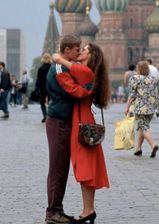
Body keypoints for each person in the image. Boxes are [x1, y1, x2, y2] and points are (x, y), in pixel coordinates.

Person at [53, 43, 110, 224]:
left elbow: (72, 84)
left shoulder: (86, 72)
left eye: (84, 49)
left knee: (85, 168)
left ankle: (88, 210)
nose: (81, 51)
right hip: (82, 119)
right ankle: (88, 210)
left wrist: (59, 60)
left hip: (82, 123)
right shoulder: (86, 72)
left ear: (91, 56)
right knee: (85, 168)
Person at [45, 35, 91, 224]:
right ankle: (53, 212)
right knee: (57, 168)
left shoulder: (64, 65)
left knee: (62, 168)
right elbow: (75, 91)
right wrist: (91, 88)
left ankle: (57, 210)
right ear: (67, 50)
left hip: (64, 120)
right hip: (58, 121)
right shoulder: (59, 67)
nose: (79, 52)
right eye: (76, 49)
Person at [125, 61, 159, 158]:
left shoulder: (135, 78)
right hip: (152, 108)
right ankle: (138, 149)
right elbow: (158, 94)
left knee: (143, 127)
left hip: (141, 107)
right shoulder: (154, 79)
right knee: (142, 126)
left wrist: (127, 107)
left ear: (138, 69)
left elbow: (132, 95)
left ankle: (153, 145)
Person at [35, 53, 52, 123]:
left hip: (42, 87)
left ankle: (45, 115)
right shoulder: (52, 67)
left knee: (42, 103)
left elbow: (38, 79)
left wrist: (37, 88)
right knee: (51, 101)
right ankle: (50, 115)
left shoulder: (41, 68)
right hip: (51, 87)